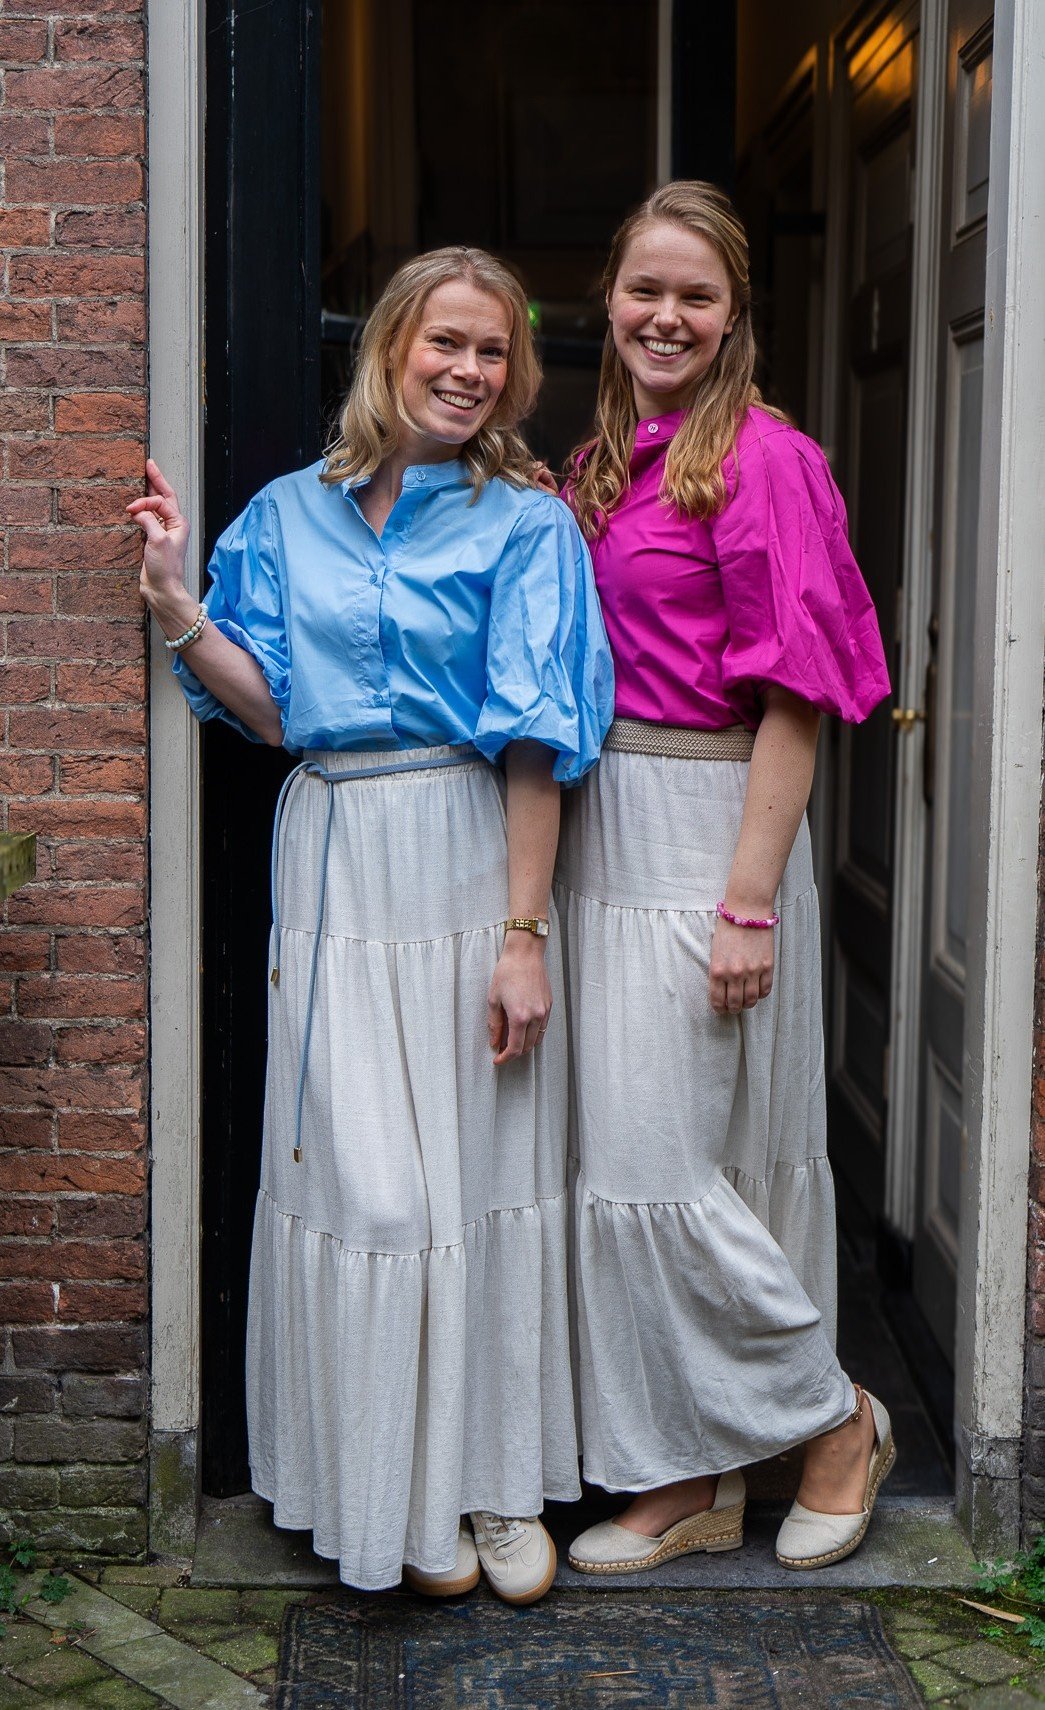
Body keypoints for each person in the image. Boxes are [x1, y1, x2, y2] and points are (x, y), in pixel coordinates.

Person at [130, 247, 613, 1601]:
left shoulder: (528, 525)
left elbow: (535, 743)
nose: (469, 370)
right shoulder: (288, 517)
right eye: (445, 342)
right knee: (372, 1191)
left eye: (493, 351)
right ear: (391, 346)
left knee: (484, 1174)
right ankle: (383, 1489)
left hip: (470, 851)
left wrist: (523, 934)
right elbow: (272, 710)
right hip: (337, 857)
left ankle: (494, 1483)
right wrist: (175, 603)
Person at [555, 183, 894, 1575]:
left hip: (712, 831)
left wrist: (747, 901)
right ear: (610, 299)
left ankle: (832, 1419)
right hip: (605, 832)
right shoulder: (598, 466)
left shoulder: (765, 459)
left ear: (734, 313)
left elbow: (796, 703)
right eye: (645, 288)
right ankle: (690, 1474)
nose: (665, 316)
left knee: (666, 1169)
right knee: (633, 1166)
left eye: (695, 295)